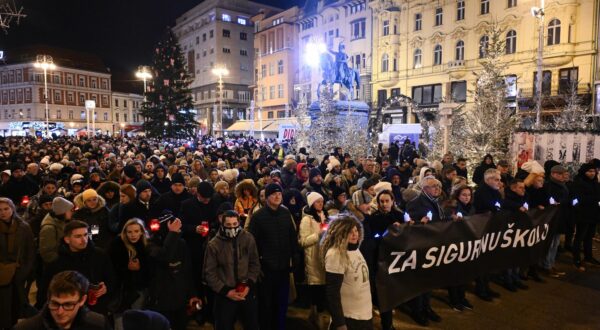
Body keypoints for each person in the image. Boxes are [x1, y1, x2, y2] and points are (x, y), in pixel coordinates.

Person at [248, 183, 299, 330]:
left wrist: (295, 254)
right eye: (273, 194)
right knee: (266, 304)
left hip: (283, 267)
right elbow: (252, 244)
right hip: (266, 268)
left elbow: (292, 236)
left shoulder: (285, 213)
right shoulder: (258, 216)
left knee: (281, 303)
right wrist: (257, 266)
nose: (277, 196)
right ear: (267, 198)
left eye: (279, 194)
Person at [41, 220, 116, 315]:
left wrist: (106, 288)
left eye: (85, 235)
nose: (84, 240)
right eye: (78, 236)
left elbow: (112, 279)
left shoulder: (100, 255)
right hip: (67, 311)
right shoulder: (57, 261)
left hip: (96, 309)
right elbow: (46, 290)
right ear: (67, 239)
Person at [203, 210, 260, 330]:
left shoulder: (248, 238)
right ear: (222, 224)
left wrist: (249, 285)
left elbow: (255, 264)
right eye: (228, 225)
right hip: (224, 295)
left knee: (252, 325)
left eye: (235, 224)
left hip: (246, 291)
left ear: (239, 223)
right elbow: (209, 273)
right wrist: (226, 292)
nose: (232, 227)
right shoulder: (214, 244)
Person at [146, 216, 201, 330]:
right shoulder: (151, 244)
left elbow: (187, 271)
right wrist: (173, 234)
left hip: (179, 299)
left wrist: (192, 294)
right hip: (160, 301)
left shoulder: (181, 244)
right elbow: (165, 256)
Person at [322, 216, 373, 330]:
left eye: (356, 230)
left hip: (364, 315)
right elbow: (332, 293)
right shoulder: (335, 254)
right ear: (341, 233)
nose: (355, 234)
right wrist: (340, 323)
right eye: (350, 232)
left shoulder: (355, 249)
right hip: (349, 318)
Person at [14, 271, 110, 330]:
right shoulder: (25, 328)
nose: (60, 312)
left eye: (68, 305)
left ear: (82, 300)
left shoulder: (98, 325)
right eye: (55, 304)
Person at [0, 197, 35, 329]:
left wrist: (24, 272)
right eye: (0, 210)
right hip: (1, 273)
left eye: (6, 209)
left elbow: (30, 252)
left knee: (15, 305)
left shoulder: (23, 227)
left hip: (18, 273)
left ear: (12, 209)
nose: (3, 212)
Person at [107, 218, 152, 312]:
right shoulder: (117, 244)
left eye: (136, 231)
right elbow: (111, 266)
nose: (133, 235)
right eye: (129, 232)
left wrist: (141, 267)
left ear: (141, 232)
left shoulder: (148, 245)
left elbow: (151, 269)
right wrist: (126, 267)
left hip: (140, 288)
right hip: (121, 289)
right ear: (125, 233)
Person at [299, 192, 328, 329]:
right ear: (311, 204)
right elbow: (303, 241)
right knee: (317, 289)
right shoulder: (307, 220)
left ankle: (314, 315)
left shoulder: (325, 216)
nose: (321, 204)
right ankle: (318, 317)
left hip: (324, 257)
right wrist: (318, 235)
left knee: (322, 288)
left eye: (322, 201)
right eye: (317, 202)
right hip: (313, 259)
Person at [473, 168, 503, 301]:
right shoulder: (482, 191)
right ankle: (481, 288)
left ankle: (486, 286)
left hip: (491, 228)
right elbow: (489, 206)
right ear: (488, 179)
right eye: (497, 179)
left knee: (488, 259)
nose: (499, 182)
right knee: (482, 259)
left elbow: (498, 205)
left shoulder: (494, 191)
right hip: (482, 229)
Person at [570, 163, 600, 271]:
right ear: (584, 172)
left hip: (594, 214)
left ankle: (588, 257)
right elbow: (576, 200)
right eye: (589, 171)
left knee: (589, 237)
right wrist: (593, 200)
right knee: (579, 237)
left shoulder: (595, 183)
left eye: (593, 171)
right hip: (582, 214)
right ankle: (576, 259)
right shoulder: (578, 183)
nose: (592, 173)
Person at [541, 165, 569, 278]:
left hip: (560, 217)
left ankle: (551, 264)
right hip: (552, 217)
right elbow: (549, 200)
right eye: (560, 174)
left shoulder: (563, 185)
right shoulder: (549, 186)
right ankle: (546, 265)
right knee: (550, 243)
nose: (563, 176)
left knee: (555, 243)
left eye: (563, 174)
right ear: (553, 174)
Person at [39, 197, 74, 265]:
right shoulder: (49, 228)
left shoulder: (63, 221)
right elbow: (47, 254)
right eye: (70, 210)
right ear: (63, 212)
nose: (72, 212)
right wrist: (64, 261)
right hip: (57, 266)